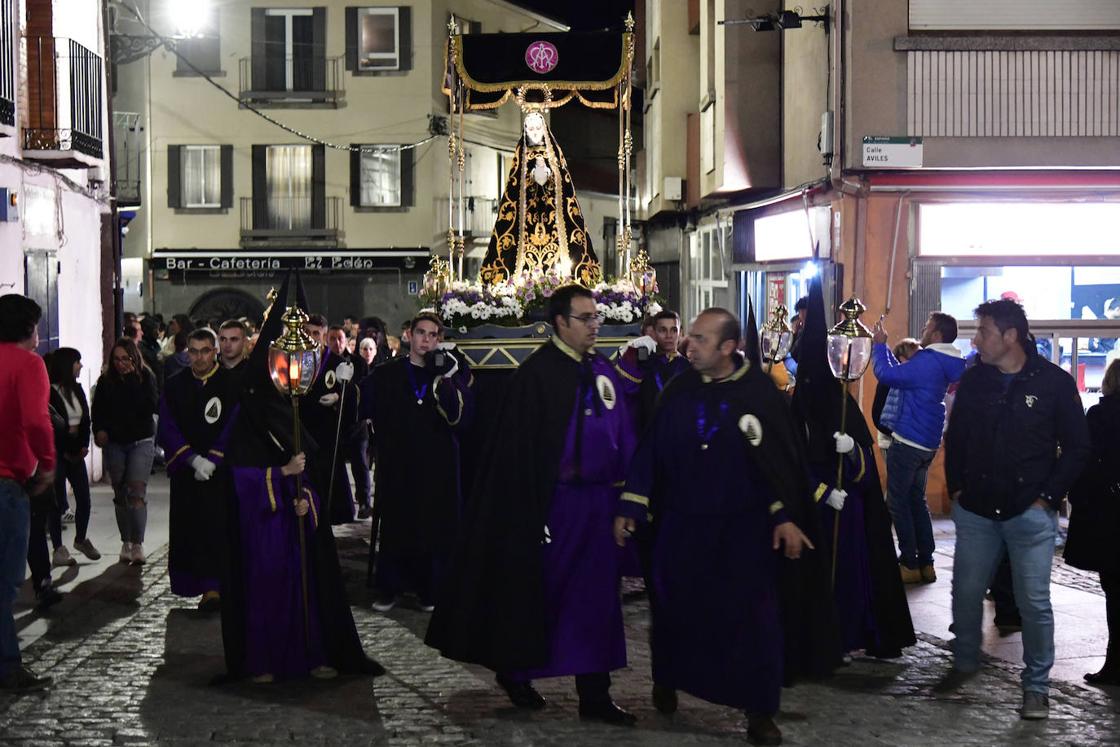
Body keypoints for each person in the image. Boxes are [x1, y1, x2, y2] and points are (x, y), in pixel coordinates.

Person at [614, 308, 829, 744]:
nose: (689, 345)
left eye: (700, 339)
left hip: (742, 534)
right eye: (690, 336)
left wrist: (784, 516)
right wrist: (632, 504)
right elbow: (652, 450)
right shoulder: (679, 389)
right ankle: (669, 677)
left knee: (753, 622)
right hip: (682, 527)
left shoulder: (758, 395)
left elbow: (776, 465)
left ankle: (759, 710)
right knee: (675, 613)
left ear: (728, 347)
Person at [427, 285, 637, 725]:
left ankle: (595, 694)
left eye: (597, 317)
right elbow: (516, 453)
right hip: (555, 505)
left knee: (598, 599)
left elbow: (622, 432)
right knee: (544, 593)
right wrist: (529, 512)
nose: (595, 326)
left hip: (598, 502)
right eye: (586, 318)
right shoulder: (536, 376)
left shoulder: (602, 369)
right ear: (560, 322)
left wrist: (626, 498)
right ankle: (515, 671)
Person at [218, 273, 384, 683]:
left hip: (297, 525)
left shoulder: (287, 412)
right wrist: (280, 476)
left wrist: (306, 496)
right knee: (266, 593)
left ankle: (313, 655)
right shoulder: (247, 415)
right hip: (262, 528)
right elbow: (238, 476)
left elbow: (312, 469)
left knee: (307, 589)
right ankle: (263, 661)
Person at [943, 298, 1090, 719]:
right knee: (966, 592)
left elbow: (1078, 447)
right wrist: (957, 489)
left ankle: (1036, 687)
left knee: (1034, 603)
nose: (976, 340)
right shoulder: (975, 381)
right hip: (976, 509)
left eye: (983, 331)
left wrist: (1048, 497)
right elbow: (956, 437)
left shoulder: (1054, 383)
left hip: (1029, 512)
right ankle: (964, 661)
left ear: (1010, 336)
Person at [792, 281, 916, 661]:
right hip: (816, 510)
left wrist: (852, 456)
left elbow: (865, 462)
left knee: (851, 577)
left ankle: (849, 635)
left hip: (851, 512)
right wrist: (821, 492)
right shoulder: (798, 408)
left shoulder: (841, 404)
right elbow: (792, 463)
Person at [363, 312, 474, 612]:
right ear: (409, 335)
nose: (426, 339)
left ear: (439, 339)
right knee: (398, 524)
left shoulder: (449, 370)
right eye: (421, 333)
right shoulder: (388, 373)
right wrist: (346, 392)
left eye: (432, 335)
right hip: (400, 461)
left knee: (434, 527)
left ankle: (430, 590)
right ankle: (391, 588)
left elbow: (462, 419)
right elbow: (364, 404)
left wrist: (445, 379)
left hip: (438, 464)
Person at [872, 311, 966, 583]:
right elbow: (903, 375)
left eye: (927, 326)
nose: (923, 330)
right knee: (916, 500)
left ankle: (909, 563)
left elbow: (887, 375)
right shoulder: (943, 361)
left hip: (908, 441)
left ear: (936, 334)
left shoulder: (929, 360)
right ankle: (926, 562)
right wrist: (886, 349)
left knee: (897, 502)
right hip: (926, 442)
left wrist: (879, 346)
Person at [157, 329, 239, 612]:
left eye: (205, 351)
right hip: (187, 473)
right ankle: (197, 584)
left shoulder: (231, 383)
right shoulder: (175, 385)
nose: (200, 357)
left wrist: (214, 459)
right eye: (193, 351)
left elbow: (234, 423)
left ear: (215, 351)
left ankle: (216, 587)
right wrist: (191, 459)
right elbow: (167, 426)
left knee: (218, 528)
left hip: (220, 473)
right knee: (190, 529)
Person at [0, 294, 55, 692]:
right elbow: (36, 421)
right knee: (5, 580)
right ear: (30, 329)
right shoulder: (29, 364)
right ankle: (7, 665)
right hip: (6, 482)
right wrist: (47, 463)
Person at [478, 108, 601, 286]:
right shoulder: (521, 156)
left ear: (544, 130)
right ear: (525, 130)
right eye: (530, 129)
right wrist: (533, 175)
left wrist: (546, 172)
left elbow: (563, 186)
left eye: (538, 129)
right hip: (526, 221)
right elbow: (514, 188)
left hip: (553, 222)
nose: (534, 133)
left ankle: (559, 280)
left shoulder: (554, 156)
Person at [1063, 359, 1120, 685]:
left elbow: (1086, 459)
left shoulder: (1101, 415)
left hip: (1110, 514)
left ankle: (1116, 661)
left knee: (1114, 590)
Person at [92, 338, 160, 565]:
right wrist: (99, 430)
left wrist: (131, 380)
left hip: (141, 440)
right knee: (121, 492)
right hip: (115, 442)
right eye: (116, 359)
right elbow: (98, 410)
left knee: (137, 492)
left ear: (134, 358)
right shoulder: (106, 381)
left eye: (125, 359)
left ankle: (138, 543)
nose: (120, 364)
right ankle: (126, 541)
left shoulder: (145, 377)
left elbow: (149, 407)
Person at [301, 318, 358, 525]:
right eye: (307, 332)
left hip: (327, 431)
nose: (311, 337)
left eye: (316, 333)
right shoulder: (296, 359)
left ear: (324, 335)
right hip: (303, 427)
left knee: (329, 475)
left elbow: (352, 394)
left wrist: (339, 396)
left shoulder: (337, 362)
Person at [615, 309, 691, 429]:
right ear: (654, 333)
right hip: (648, 431)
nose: (669, 336)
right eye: (663, 330)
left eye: (673, 330)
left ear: (680, 333)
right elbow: (625, 389)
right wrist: (631, 351)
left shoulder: (688, 367)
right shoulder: (645, 364)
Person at [326, 325, 372, 520]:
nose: (337, 343)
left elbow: (364, 388)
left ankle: (364, 501)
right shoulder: (325, 362)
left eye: (340, 338)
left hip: (355, 423)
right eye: (332, 338)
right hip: (332, 424)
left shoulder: (358, 363)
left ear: (346, 340)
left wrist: (342, 395)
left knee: (360, 462)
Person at [871, 338, 920, 449]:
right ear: (903, 359)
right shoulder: (895, 380)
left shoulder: (899, 377)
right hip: (893, 439)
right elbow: (879, 412)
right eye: (917, 357)